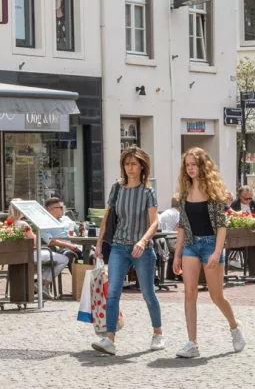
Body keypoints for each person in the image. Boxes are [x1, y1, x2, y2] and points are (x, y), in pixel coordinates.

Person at [92, 147, 165, 356]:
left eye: (133, 164)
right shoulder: (117, 188)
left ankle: (158, 334)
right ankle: (109, 339)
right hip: (118, 246)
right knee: (113, 292)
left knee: (148, 293)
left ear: (142, 166)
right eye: (126, 164)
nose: (130, 168)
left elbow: (155, 222)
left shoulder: (147, 192)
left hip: (142, 248)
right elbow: (108, 218)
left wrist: (143, 241)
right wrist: (99, 244)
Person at [172, 148, 245, 359]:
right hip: (191, 245)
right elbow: (182, 227)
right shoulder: (184, 193)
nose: (190, 168)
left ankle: (234, 327)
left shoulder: (214, 192)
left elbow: (222, 226)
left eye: (194, 164)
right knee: (189, 293)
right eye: (187, 165)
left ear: (203, 165)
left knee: (216, 295)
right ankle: (192, 343)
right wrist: (177, 254)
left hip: (211, 244)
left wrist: (216, 252)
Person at [10, 199, 68, 299]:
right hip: (30, 254)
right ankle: (44, 285)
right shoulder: (23, 224)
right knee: (64, 259)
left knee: (51, 261)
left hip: (16, 255)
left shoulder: (9, 223)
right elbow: (35, 243)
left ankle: (40, 284)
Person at [41, 197, 82, 264]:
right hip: (62, 249)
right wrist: (69, 245)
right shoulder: (45, 223)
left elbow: (78, 229)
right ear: (52, 210)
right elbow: (50, 241)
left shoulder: (66, 219)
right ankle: (77, 274)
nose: (63, 209)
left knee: (92, 255)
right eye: (61, 207)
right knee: (70, 255)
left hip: (78, 246)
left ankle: (88, 274)